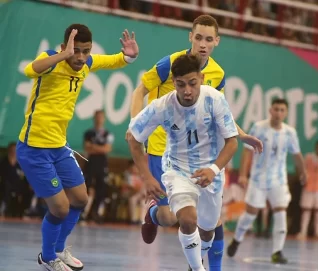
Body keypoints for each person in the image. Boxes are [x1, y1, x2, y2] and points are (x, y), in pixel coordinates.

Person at [127, 14, 262, 271]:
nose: (202, 44)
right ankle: (154, 214)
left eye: (208, 39)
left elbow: (222, 114)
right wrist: (137, 125)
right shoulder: (171, 64)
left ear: (216, 42)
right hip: (163, 148)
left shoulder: (217, 75)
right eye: (198, 37)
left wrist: (240, 135)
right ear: (190, 36)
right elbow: (140, 90)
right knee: (171, 217)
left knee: (211, 222)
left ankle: (205, 266)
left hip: (204, 155)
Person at [16, 23, 139, 271]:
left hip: (60, 147)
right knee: (60, 208)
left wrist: (128, 56)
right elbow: (31, 69)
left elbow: (111, 61)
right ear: (65, 47)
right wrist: (63, 55)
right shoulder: (52, 58)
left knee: (80, 200)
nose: (81, 57)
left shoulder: (86, 63)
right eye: (77, 51)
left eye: (86, 51)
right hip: (34, 148)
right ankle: (48, 256)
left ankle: (59, 250)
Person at [227, 98, 307, 264]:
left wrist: (303, 172)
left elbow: (297, 154)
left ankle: (277, 251)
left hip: (279, 180)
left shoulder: (290, 132)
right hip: (258, 179)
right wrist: (243, 174)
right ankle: (237, 238)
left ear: (285, 113)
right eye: (276, 109)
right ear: (270, 110)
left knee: (280, 211)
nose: (278, 113)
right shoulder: (259, 128)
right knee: (250, 214)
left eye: (282, 110)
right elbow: (247, 151)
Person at [82, 110, 114, 223]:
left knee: (101, 189)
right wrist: (100, 148)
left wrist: (94, 147)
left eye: (101, 117)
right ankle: (83, 213)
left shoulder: (108, 134)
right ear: (94, 118)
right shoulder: (88, 133)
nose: (99, 119)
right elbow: (87, 147)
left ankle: (95, 213)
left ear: (104, 118)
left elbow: (107, 149)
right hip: (90, 162)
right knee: (87, 187)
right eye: (97, 117)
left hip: (102, 164)